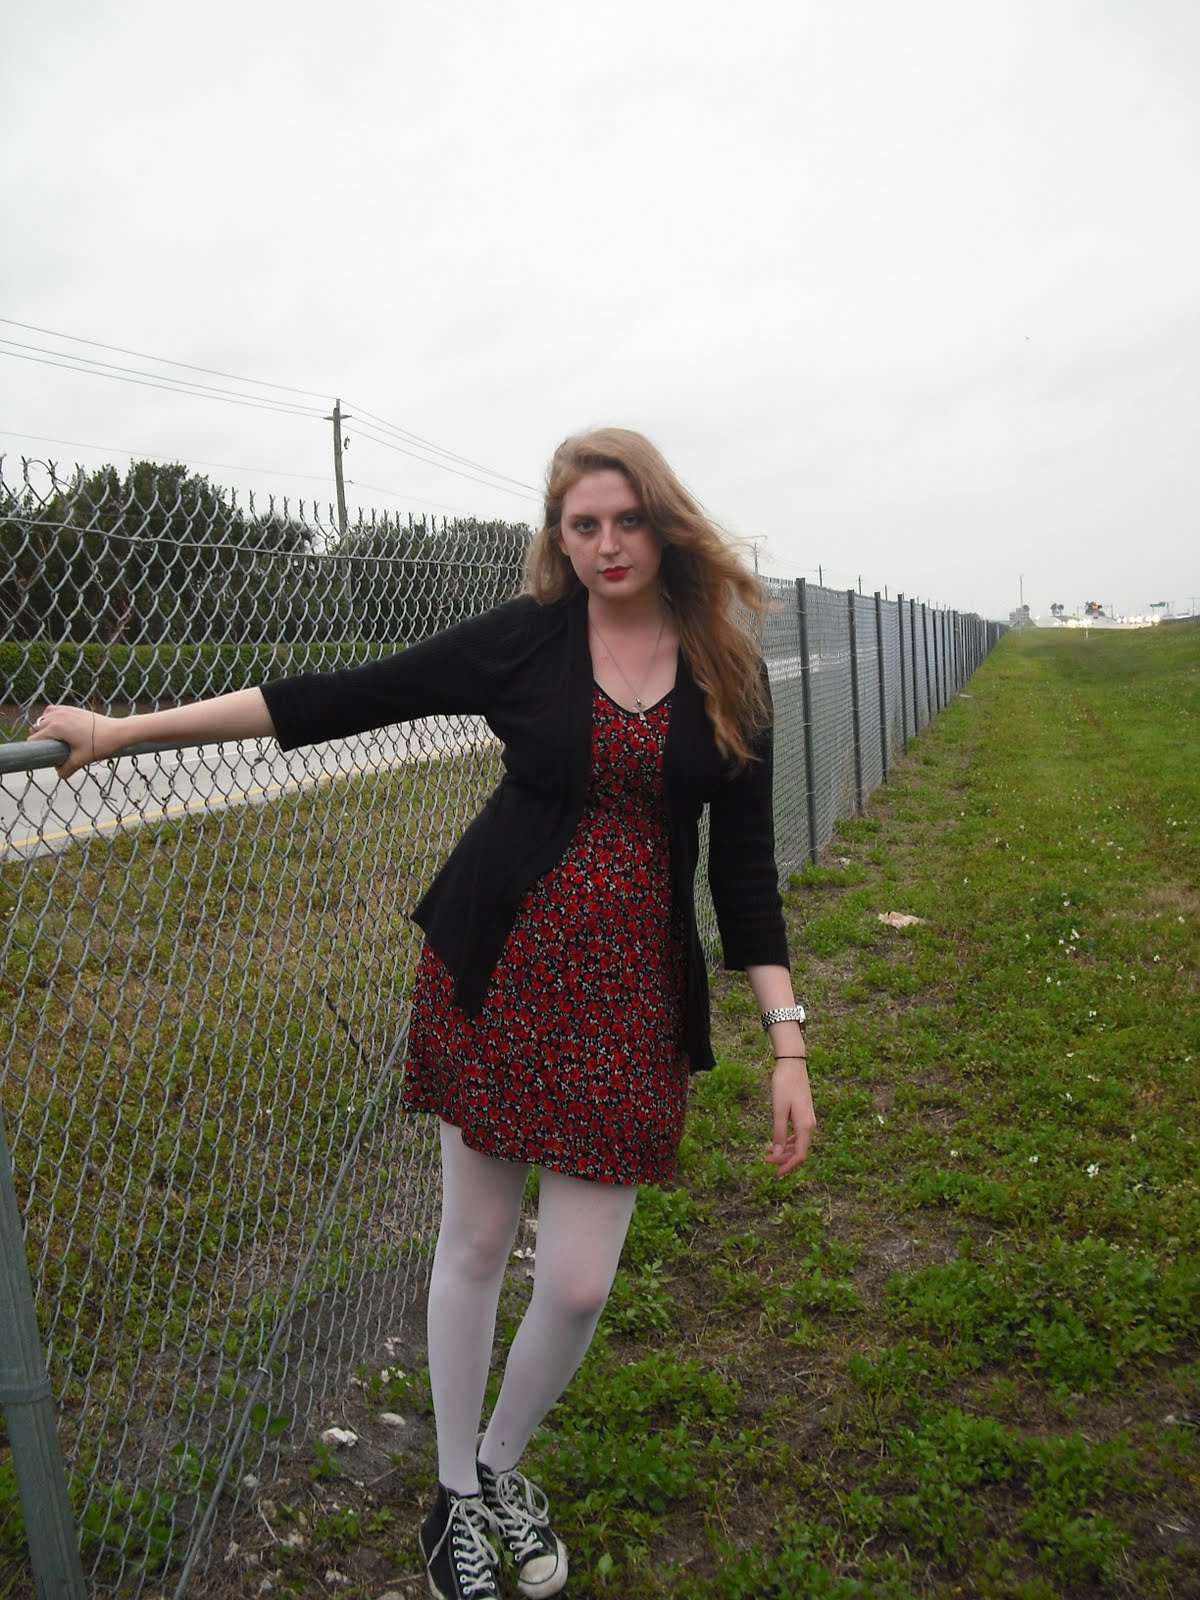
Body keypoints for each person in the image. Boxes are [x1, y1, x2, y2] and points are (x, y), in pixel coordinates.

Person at [36, 427, 816, 1600]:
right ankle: (454, 1493)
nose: (608, 544)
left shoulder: (727, 671)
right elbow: (341, 698)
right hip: (495, 973)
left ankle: (499, 1464)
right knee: (478, 1242)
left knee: (579, 1282)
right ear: (558, 537)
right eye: (584, 524)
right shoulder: (528, 640)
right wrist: (123, 731)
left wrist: (786, 1041)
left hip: (631, 1002)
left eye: (627, 520)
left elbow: (745, 876)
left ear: (665, 525)